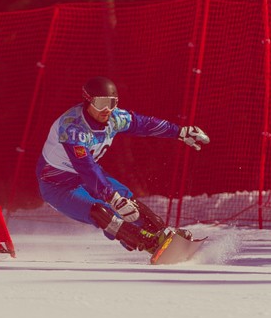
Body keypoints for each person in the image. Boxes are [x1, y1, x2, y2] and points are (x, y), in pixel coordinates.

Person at [36, 76, 210, 252]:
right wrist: (112, 198)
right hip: (57, 185)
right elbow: (86, 167)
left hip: (87, 176)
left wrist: (180, 132)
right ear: (88, 101)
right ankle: (147, 243)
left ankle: (163, 234)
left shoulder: (115, 118)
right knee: (100, 211)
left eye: (112, 103)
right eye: (101, 103)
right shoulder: (72, 128)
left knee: (129, 202)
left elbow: (145, 124)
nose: (106, 109)